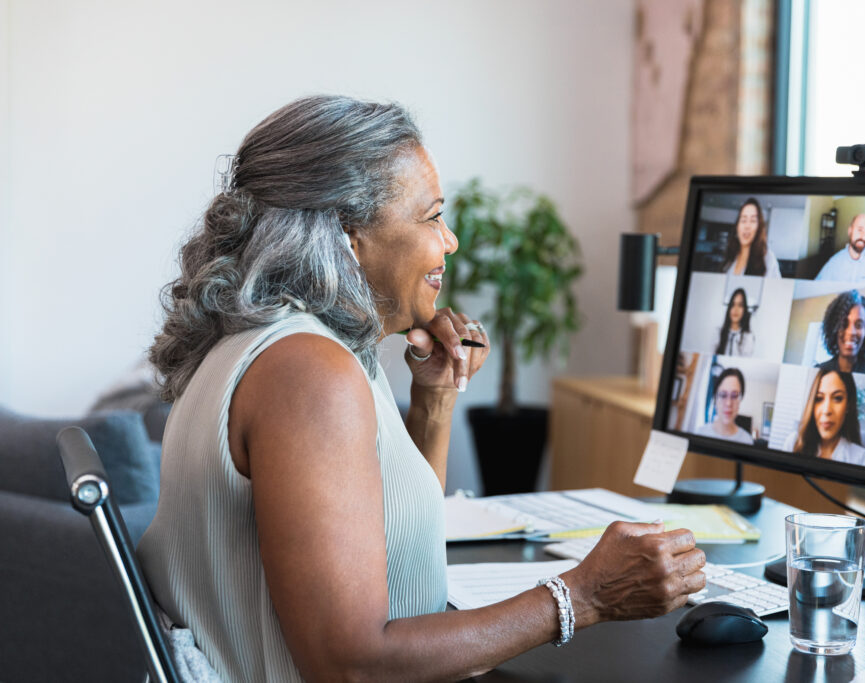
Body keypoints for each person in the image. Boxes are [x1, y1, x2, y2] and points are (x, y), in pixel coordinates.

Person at [135, 96, 705, 682]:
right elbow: (352, 665)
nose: (450, 241)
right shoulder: (307, 374)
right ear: (348, 235)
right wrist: (583, 596)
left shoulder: (281, 343)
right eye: (431, 217)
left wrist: (432, 402)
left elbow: (394, 548)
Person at [783, 368, 865, 466]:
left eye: (837, 398)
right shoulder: (792, 443)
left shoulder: (860, 458)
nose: (826, 410)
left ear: (848, 405)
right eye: (819, 398)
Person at [815, 289, 865, 376]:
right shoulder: (818, 371)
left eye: (858, 325)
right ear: (834, 328)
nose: (851, 332)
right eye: (844, 324)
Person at [814, 213, 865, 286]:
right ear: (850, 231)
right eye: (860, 230)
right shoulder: (835, 262)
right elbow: (817, 288)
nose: (863, 236)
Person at [721, 197, 781, 277]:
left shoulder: (768, 258)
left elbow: (776, 288)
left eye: (752, 221)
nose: (747, 226)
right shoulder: (731, 256)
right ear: (737, 227)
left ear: (758, 228)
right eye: (743, 220)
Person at [696, 368, 755, 444]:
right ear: (715, 399)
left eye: (734, 396)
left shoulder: (747, 441)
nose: (728, 403)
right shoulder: (700, 433)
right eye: (723, 395)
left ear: (740, 400)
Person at [715, 288, 755, 356]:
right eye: (733, 304)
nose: (736, 309)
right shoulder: (717, 332)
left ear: (744, 309)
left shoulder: (748, 337)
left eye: (740, 305)